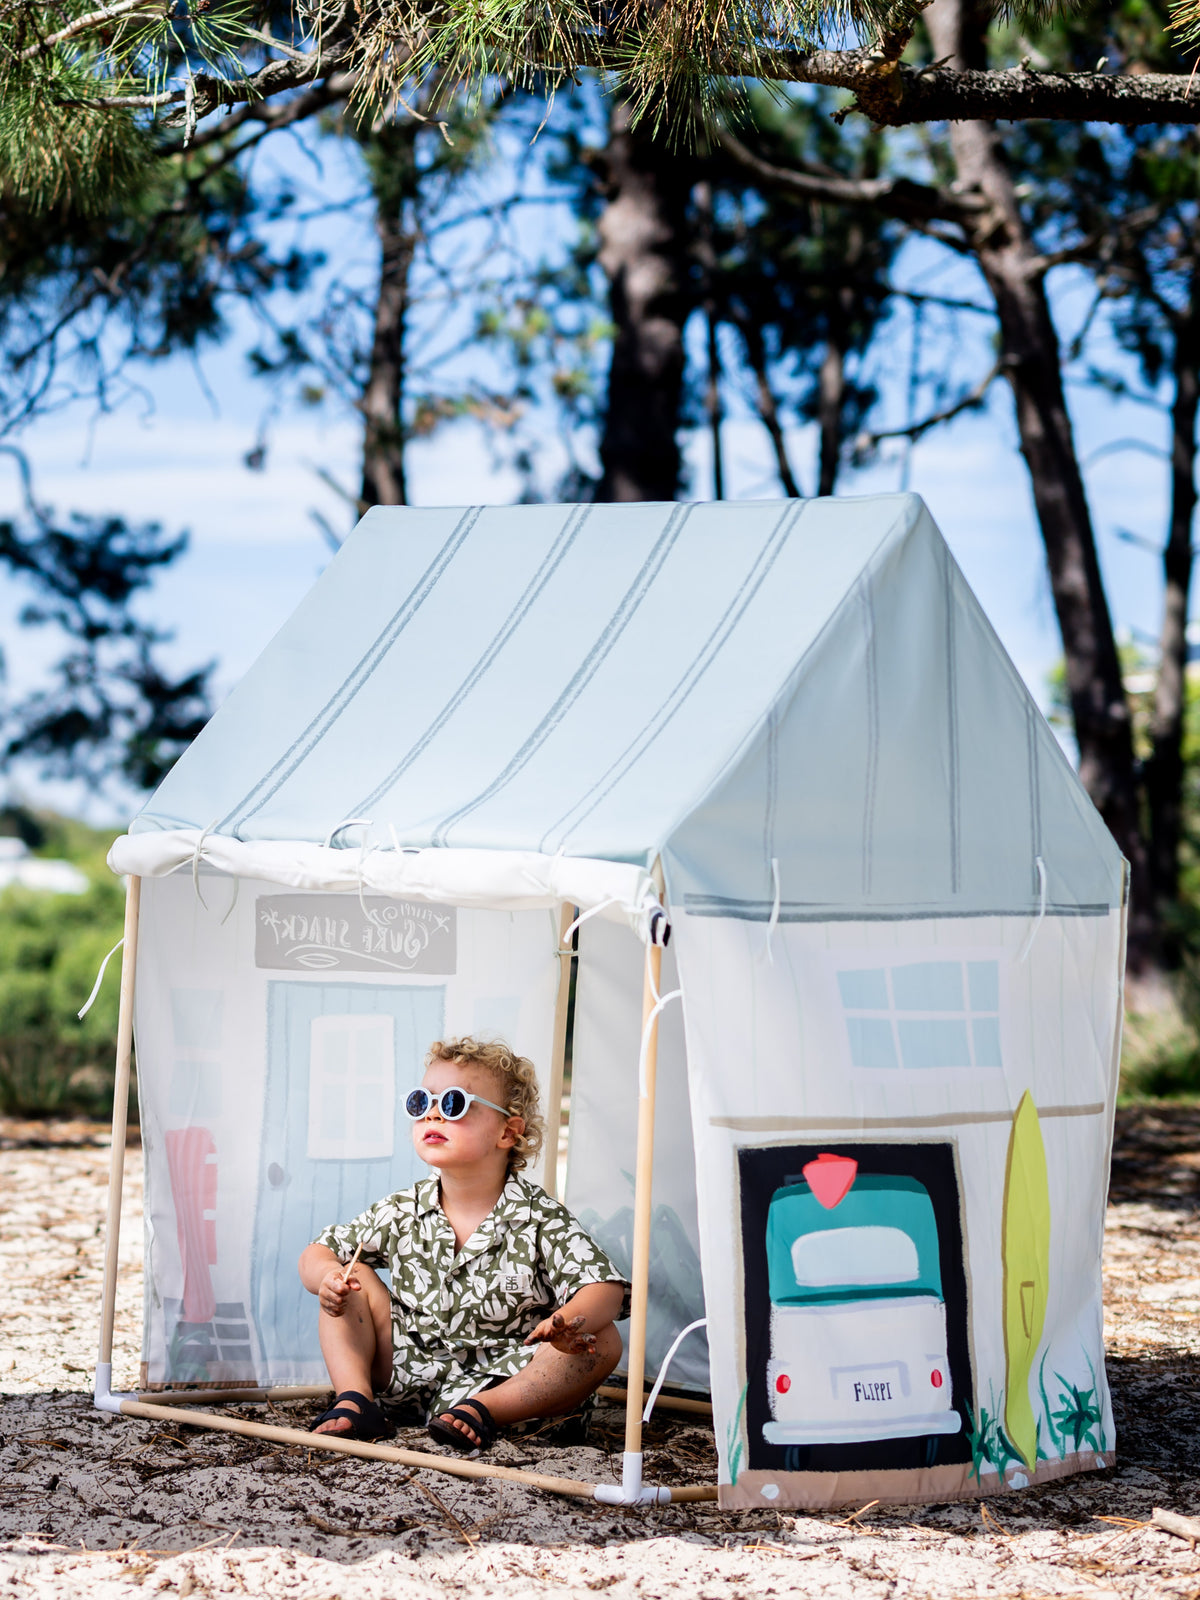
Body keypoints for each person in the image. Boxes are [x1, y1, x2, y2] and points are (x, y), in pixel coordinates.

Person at [298, 1035, 628, 1453]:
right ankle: (356, 1400)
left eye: (454, 1103)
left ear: (507, 1132)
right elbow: (317, 1252)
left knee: (604, 1341)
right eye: (421, 1102)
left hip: (506, 1379)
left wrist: (565, 1320)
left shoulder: (540, 1218)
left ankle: (484, 1411)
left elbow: (605, 1290)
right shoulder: (401, 1209)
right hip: (406, 1373)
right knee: (350, 1274)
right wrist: (328, 1276)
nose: (433, 1114)